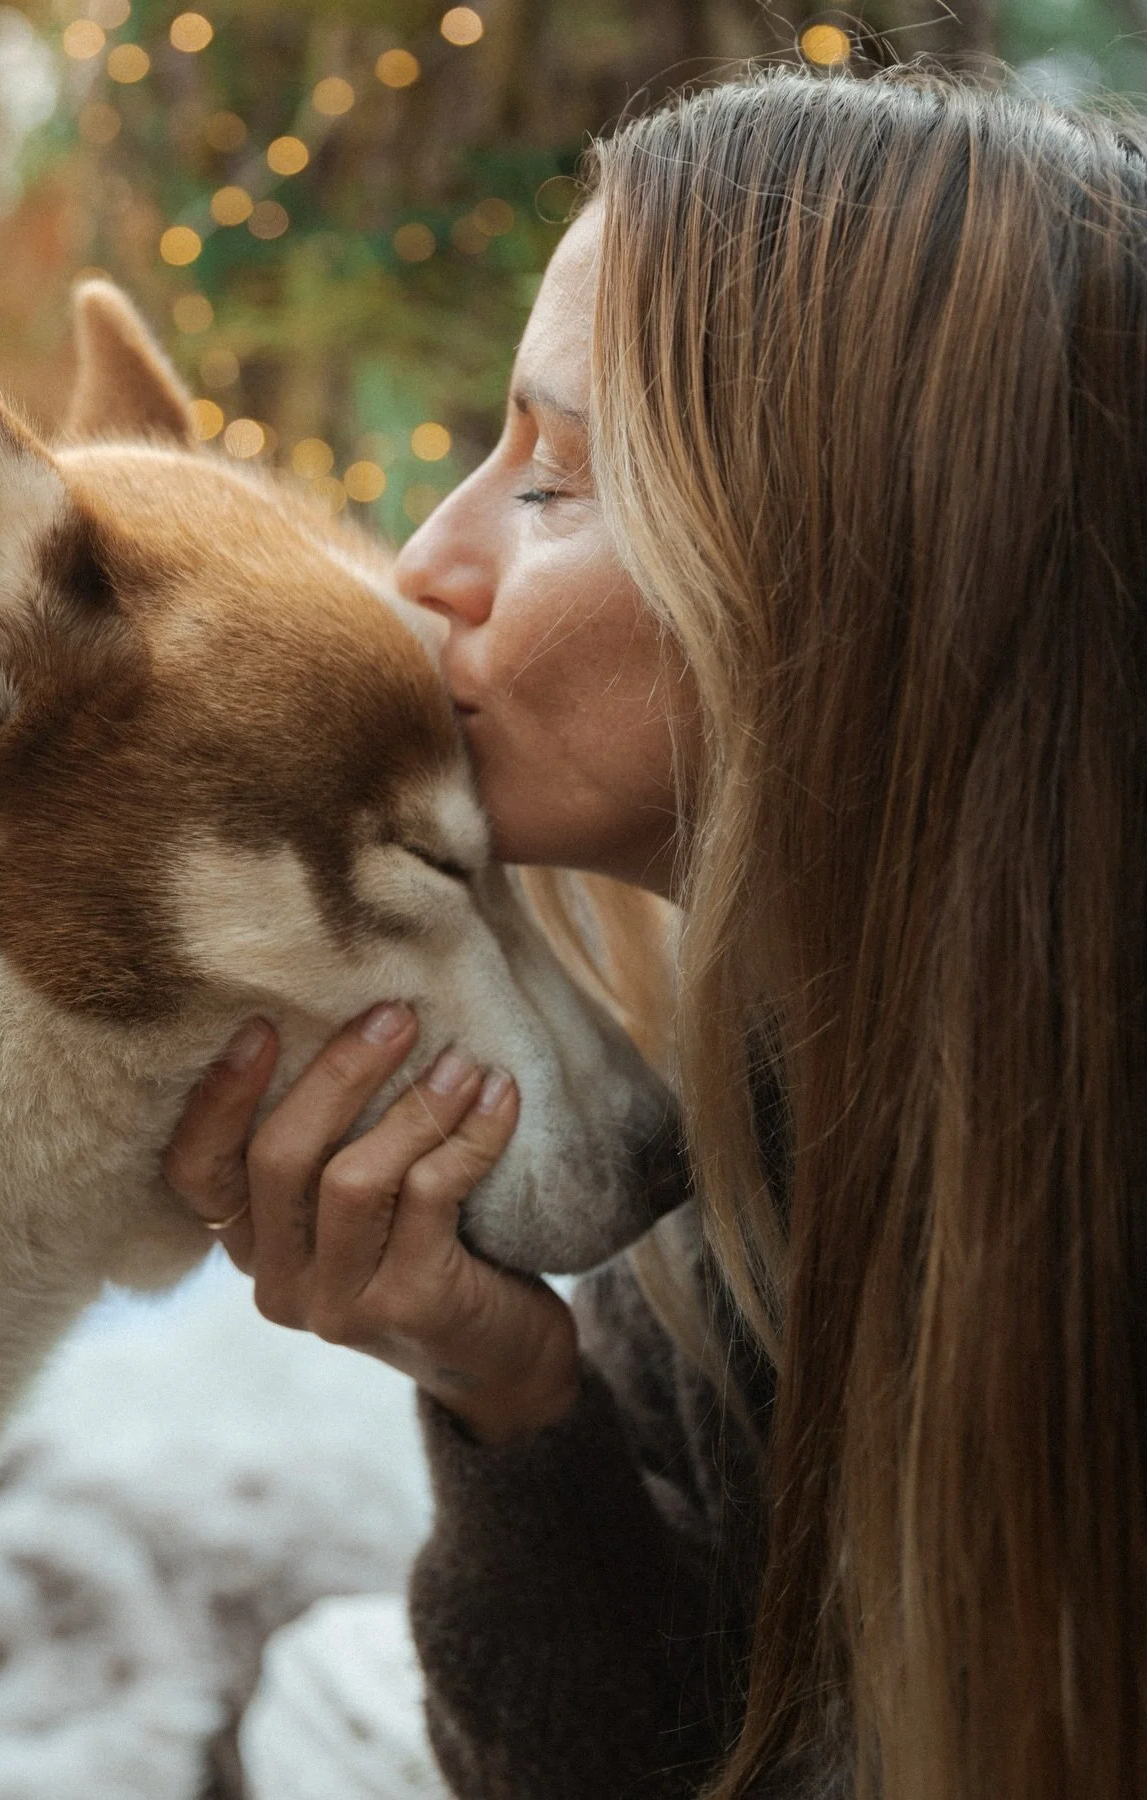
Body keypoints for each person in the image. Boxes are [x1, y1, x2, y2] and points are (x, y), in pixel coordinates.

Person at [164, 66, 1147, 1800]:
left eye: (554, 482)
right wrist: (515, 1398)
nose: (421, 568)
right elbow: (635, 1756)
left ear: (853, 566)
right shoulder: (731, 1110)